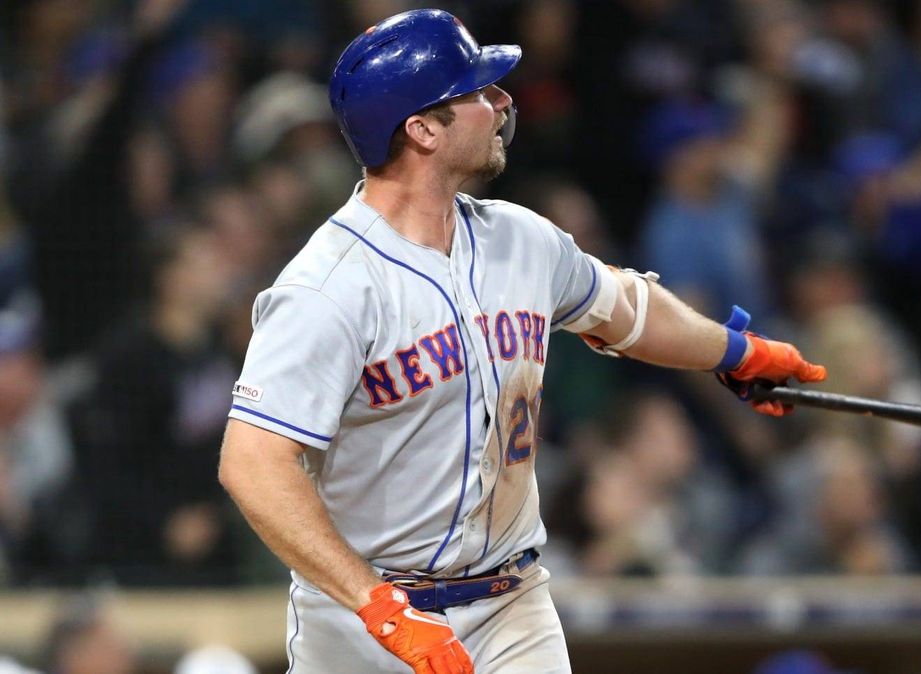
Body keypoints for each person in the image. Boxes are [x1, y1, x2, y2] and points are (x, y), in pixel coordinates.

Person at [217, 10, 827, 674]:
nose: (502, 101)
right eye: (477, 92)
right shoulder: (328, 288)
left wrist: (734, 353)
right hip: (366, 618)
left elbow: (627, 308)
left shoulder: (518, 239)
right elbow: (253, 464)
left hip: (510, 601)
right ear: (421, 128)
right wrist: (379, 606)